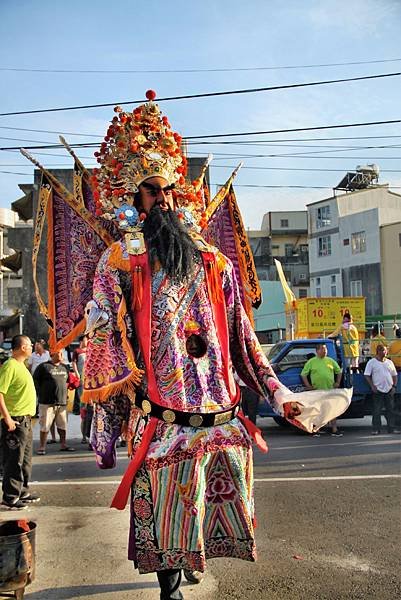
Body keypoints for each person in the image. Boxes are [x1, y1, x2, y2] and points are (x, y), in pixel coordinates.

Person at [82, 93, 305, 600]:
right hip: (163, 417)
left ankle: (189, 564)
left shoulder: (214, 262)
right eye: (150, 191)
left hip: (220, 414)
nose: (161, 200)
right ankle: (170, 584)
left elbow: (243, 338)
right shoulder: (120, 260)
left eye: (167, 189)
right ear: (131, 197)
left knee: (201, 511)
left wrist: (278, 394)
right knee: (168, 514)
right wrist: (110, 403)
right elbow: (100, 336)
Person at [0, 335, 40, 509]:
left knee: (25, 460)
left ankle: (22, 491)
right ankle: (10, 497)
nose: (32, 348)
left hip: (25, 420)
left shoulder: (21, 366)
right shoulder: (9, 366)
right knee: (13, 459)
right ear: (23, 347)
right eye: (30, 345)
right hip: (14, 420)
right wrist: (7, 417)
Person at [34, 349, 76, 454]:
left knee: (62, 425)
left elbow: (67, 382)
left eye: (62, 353)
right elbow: (35, 381)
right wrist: (40, 393)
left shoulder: (65, 367)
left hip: (62, 402)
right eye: (59, 353)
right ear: (52, 354)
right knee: (45, 425)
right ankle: (42, 447)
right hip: (47, 402)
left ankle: (63, 444)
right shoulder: (43, 367)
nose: (61, 355)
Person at [301, 343, 343, 436]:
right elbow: (303, 374)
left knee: (332, 410)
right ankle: (316, 429)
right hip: (317, 391)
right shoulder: (311, 362)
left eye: (325, 349)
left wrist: (337, 382)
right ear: (317, 351)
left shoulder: (330, 361)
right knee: (317, 411)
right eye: (322, 349)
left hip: (329, 390)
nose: (325, 351)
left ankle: (334, 430)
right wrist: (308, 386)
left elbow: (339, 371)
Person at [364, 344, 399, 435]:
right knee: (377, 410)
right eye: (383, 350)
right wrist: (372, 386)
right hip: (378, 390)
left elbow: (394, 375)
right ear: (378, 352)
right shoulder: (372, 362)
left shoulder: (389, 362)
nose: (385, 352)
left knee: (390, 410)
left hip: (389, 390)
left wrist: (394, 387)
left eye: (385, 350)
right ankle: (376, 429)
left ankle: (391, 428)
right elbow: (367, 375)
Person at [72, 335, 90, 442]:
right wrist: (77, 374)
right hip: (82, 382)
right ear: (81, 341)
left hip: (91, 382)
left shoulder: (91, 350)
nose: (87, 341)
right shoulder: (77, 351)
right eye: (85, 339)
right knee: (84, 408)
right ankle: (83, 436)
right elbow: (73, 363)